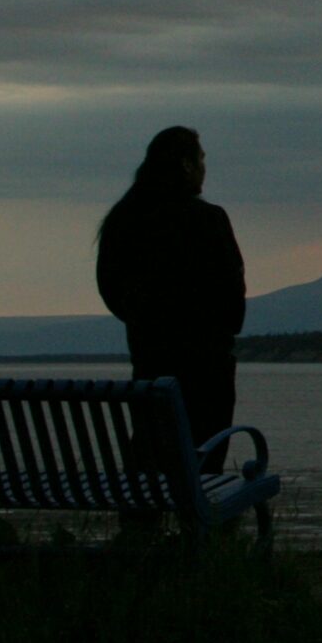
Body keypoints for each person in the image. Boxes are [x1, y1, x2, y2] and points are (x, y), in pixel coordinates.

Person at [94, 125, 246, 473]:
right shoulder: (208, 220)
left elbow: (111, 289)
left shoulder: (123, 221)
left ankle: (140, 526)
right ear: (186, 165)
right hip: (209, 370)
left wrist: (145, 323)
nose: (205, 169)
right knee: (204, 464)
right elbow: (232, 296)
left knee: (149, 456)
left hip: (149, 361)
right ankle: (197, 526)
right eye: (201, 160)